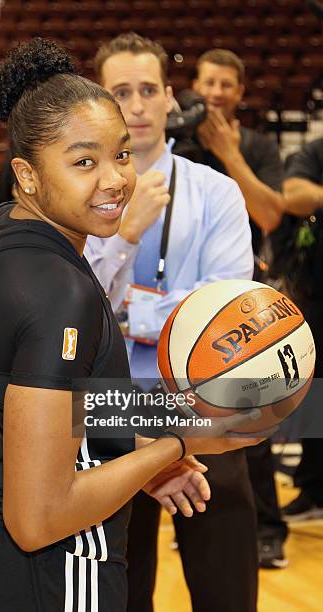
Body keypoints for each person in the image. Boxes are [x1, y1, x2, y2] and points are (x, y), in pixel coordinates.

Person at [0, 39, 262, 612]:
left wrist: (132, 460)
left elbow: (34, 407)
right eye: (84, 162)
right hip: (43, 571)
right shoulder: (62, 290)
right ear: (27, 176)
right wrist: (177, 442)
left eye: (121, 155)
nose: (115, 180)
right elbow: (39, 519)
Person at [87, 33, 258, 612]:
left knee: (224, 579)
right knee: (122, 585)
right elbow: (71, 304)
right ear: (101, 104)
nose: (136, 105)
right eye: (120, 92)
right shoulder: (78, 195)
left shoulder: (217, 192)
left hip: (201, 400)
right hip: (110, 404)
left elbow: (224, 312)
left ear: (168, 99)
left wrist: (129, 311)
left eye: (147, 90)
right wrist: (125, 234)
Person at [188, 48, 288, 569]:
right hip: (187, 307)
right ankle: (192, 524)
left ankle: (269, 529)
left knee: (253, 420)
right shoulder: (176, 145)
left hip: (246, 305)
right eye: (209, 82)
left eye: (228, 84)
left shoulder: (256, 146)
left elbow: (271, 215)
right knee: (189, 419)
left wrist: (231, 155)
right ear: (194, 87)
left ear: (241, 94)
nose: (217, 92)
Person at [280, 138, 323, 521]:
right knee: (315, 396)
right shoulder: (317, 151)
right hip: (318, 293)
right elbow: (293, 194)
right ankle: (313, 488)